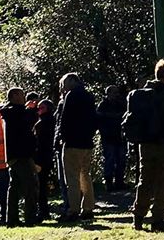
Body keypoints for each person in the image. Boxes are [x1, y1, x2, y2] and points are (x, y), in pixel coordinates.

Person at [131, 59, 164, 232]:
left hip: (145, 144)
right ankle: (158, 218)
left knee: (145, 180)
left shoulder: (138, 94)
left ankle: (138, 216)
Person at [56, 73, 97, 221]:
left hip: (72, 143)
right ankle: (88, 208)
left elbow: (65, 120)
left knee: (72, 178)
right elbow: (94, 118)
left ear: (73, 81)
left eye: (64, 83)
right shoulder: (89, 96)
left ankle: (73, 210)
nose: (63, 86)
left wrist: (63, 138)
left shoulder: (71, 96)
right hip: (87, 142)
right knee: (85, 175)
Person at [0, 87, 39, 227]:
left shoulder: (10, 111)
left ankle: (12, 219)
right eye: (22, 95)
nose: (24, 98)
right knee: (30, 186)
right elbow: (28, 121)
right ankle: (30, 218)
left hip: (13, 154)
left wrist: (29, 109)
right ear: (14, 96)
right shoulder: (16, 112)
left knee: (14, 188)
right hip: (21, 154)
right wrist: (32, 110)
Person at [97, 85, 128, 192]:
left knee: (121, 160)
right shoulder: (103, 105)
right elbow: (100, 120)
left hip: (119, 137)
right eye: (114, 93)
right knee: (109, 160)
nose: (116, 95)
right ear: (108, 93)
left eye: (117, 92)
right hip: (108, 137)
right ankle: (109, 183)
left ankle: (119, 181)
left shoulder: (120, 104)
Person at [33, 99, 55, 222]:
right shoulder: (53, 121)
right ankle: (44, 210)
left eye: (41, 108)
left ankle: (42, 211)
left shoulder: (42, 123)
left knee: (39, 185)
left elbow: (39, 143)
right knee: (42, 185)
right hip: (47, 157)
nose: (38, 110)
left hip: (40, 158)